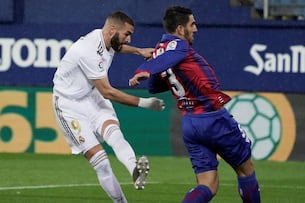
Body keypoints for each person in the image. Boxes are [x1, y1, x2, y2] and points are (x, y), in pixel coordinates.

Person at [129, 6, 260, 203]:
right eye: (192, 24)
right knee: (245, 169)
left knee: (208, 184)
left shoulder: (159, 51)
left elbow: (154, 87)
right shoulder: (178, 46)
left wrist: (154, 66)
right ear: (180, 29)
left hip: (191, 124)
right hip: (213, 118)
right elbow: (171, 58)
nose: (196, 29)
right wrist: (145, 69)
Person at [52, 11, 165, 203]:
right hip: (69, 106)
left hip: (92, 96)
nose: (128, 39)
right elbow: (108, 92)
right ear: (113, 29)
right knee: (101, 163)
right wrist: (145, 103)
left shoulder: (104, 37)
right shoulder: (87, 51)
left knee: (114, 134)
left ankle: (134, 170)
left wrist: (138, 51)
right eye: (127, 34)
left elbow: (116, 48)